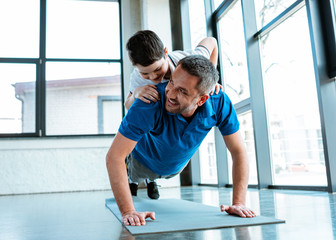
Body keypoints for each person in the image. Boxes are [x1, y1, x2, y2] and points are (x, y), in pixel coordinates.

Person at [106, 55, 256, 226]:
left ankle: (151, 181)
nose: (170, 93)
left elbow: (238, 151)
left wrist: (239, 203)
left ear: (202, 99)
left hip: (176, 165)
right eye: (172, 83)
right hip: (142, 163)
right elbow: (113, 157)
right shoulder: (149, 102)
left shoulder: (219, 102)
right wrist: (128, 211)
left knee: (167, 165)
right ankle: (138, 178)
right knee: (133, 175)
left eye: (183, 91)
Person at [124, 30, 221, 196]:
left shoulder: (191, 61)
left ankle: (151, 180)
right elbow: (127, 105)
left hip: (179, 110)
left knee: (168, 147)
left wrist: (211, 82)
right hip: (157, 113)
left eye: (157, 69)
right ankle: (134, 179)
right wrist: (137, 93)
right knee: (150, 144)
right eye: (145, 73)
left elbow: (211, 41)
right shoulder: (138, 79)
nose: (153, 77)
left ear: (166, 53)